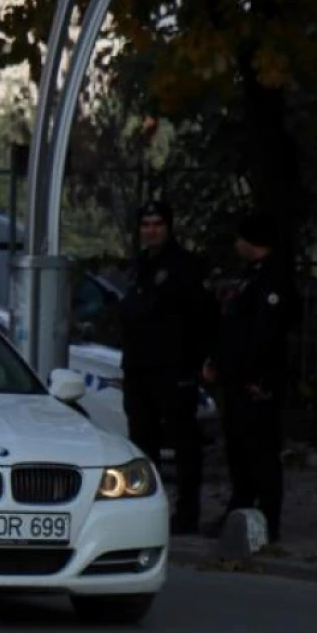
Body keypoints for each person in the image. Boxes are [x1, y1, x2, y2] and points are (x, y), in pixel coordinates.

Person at [118, 199, 217, 534]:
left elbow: (202, 317)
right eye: (145, 225)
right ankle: (146, 510)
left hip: (173, 369)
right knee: (141, 443)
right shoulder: (138, 265)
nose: (151, 230)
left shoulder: (184, 266)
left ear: (169, 227)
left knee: (183, 442)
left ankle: (187, 513)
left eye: (157, 224)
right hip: (139, 369)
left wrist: (198, 361)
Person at [204, 213, 298, 543]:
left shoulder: (273, 279)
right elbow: (236, 328)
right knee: (240, 451)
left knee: (260, 453)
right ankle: (238, 514)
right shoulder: (252, 277)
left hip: (256, 383)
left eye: (240, 238)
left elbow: (265, 334)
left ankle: (268, 521)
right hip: (238, 380)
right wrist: (220, 362)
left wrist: (252, 374)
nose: (236, 244)